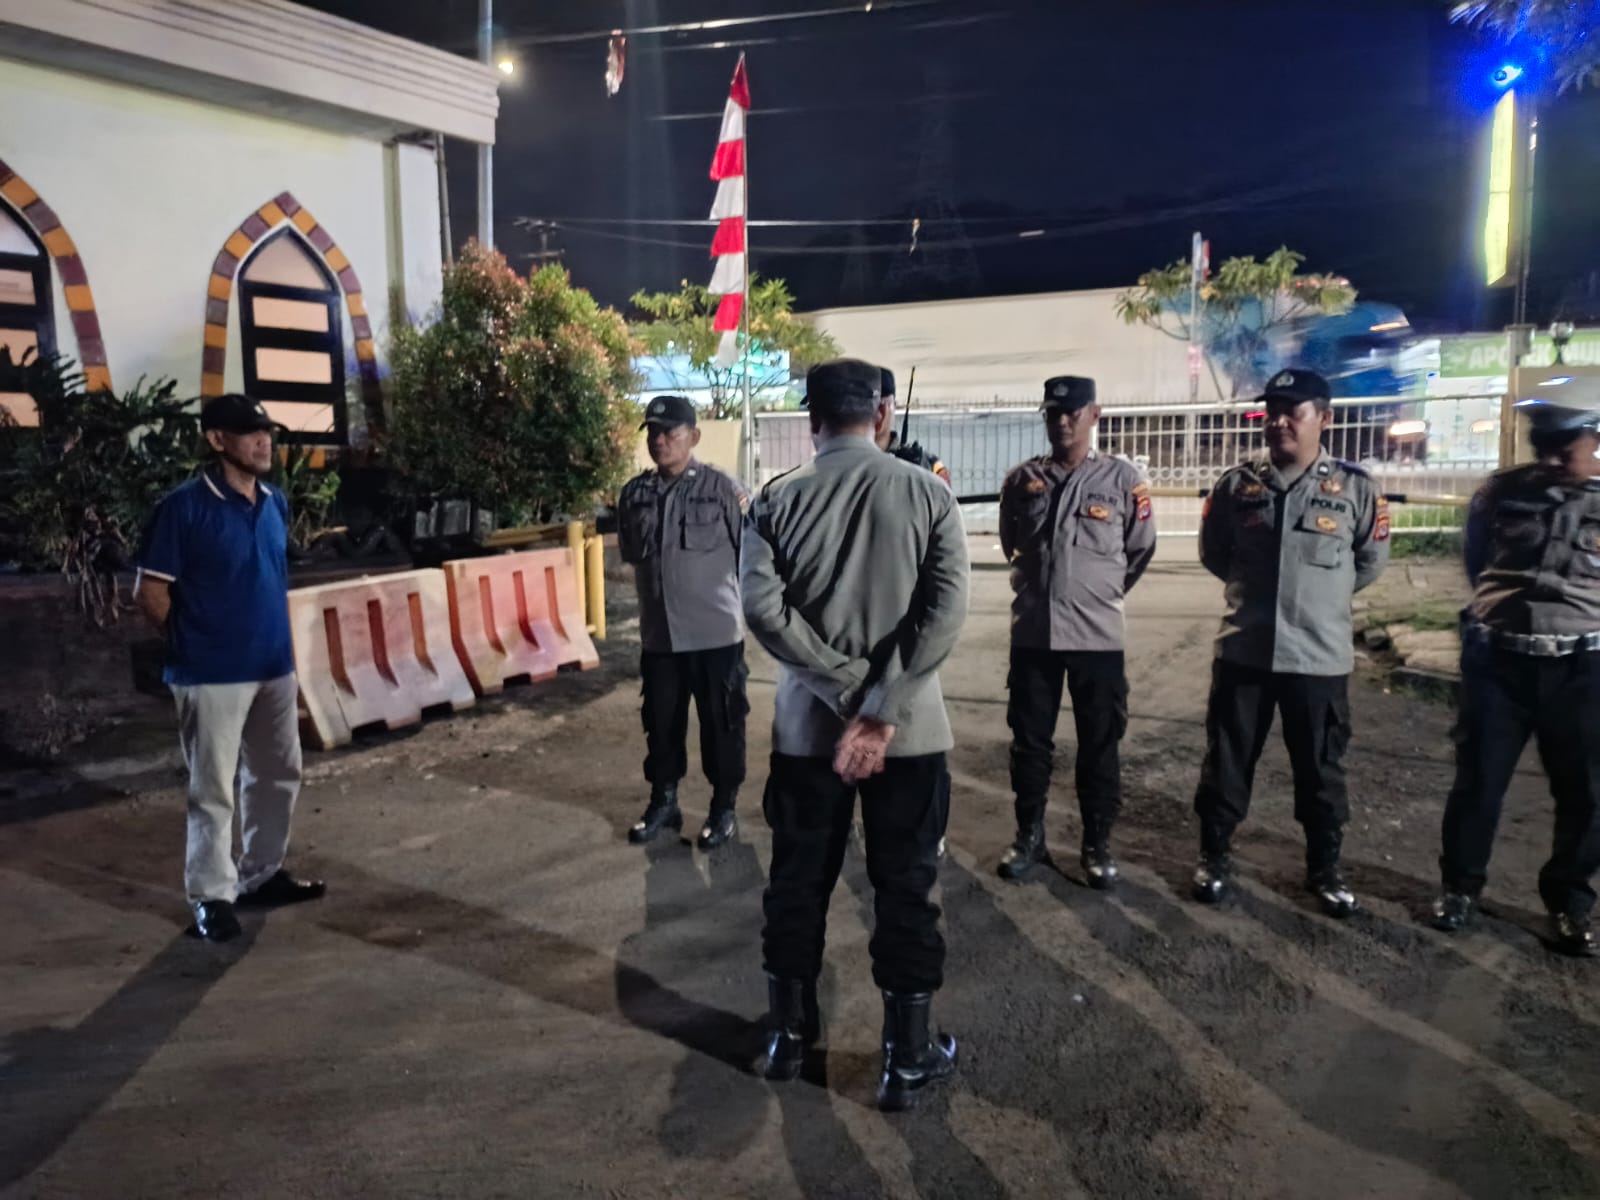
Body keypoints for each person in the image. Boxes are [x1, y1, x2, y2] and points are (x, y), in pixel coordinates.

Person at [742, 358, 969, 1112]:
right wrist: (880, 703)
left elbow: (763, 612)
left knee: (796, 882)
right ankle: (906, 1057)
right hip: (910, 735)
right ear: (882, 415)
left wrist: (841, 693)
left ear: (811, 420)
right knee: (907, 886)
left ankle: (787, 1038)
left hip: (808, 735)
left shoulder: (775, 502)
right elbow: (944, 614)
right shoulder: (929, 495)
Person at [1190, 368, 1389, 916]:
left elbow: (1369, 561)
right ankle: (1214, 858)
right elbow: (1215, 553)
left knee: (1321, 770)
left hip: (1318, 657)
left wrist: (1318, 600)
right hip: (1245, 650)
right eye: (1271, 411)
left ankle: (1325, 868)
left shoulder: (1355, 489)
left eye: (1291, 411)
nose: (1278, 421)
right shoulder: (1236, 486)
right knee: (1227, 762)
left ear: (1323, 418)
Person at [134, 394, 325, 943]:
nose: (264, 441)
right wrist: (193, 644)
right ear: (217, 440)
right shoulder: (183, 508)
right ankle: (211, 896)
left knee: (278, 774)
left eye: (267, 432)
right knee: (213, 788)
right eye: (250, 433)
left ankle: (261, 873)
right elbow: (150, 592)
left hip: (273, 665)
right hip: (210, 672)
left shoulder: (274, 501)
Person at [1432, 396, 1600, 957]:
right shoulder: (1502, 492)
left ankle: (1570, 902)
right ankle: (1460, 890)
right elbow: (1476, 561)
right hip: (1500, 665)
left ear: (1595, 440)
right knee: (1478, 783)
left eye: (1563, 447)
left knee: (1586, 794)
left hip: (1582, 670)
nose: (1549, 459)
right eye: (1541, 446)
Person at [996, 375, 1156, 887]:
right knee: (1029, 746)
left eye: (1072, 412)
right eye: (1053, 413)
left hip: (1097, 638)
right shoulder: (1021, 481)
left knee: (1099, 746)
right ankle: (1029, 836)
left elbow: (1139, 550)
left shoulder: (1123, 481)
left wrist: (1096, 593)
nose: (1062, 421)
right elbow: (1012, 544)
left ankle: (1096, 844)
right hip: (1034, 636)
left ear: (1094, 415)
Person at [618, 395, 750, 851]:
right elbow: (632, 555)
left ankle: (723, 808)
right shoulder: (634, 494)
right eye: (653, 432)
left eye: (669, 432)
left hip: (716, 637)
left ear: (693, 436)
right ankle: (664, 802)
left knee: (722, 727)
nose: (659, 441)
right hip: (660, 639)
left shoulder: (722, 489)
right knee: (661, 726)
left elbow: (749, 554)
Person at [877, 367, 952, 486]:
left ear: (894, 406)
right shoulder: (849, 461)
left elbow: (946, 495)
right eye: (871, 405)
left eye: (883, 405)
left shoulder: (928, 464)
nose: (879, 413)